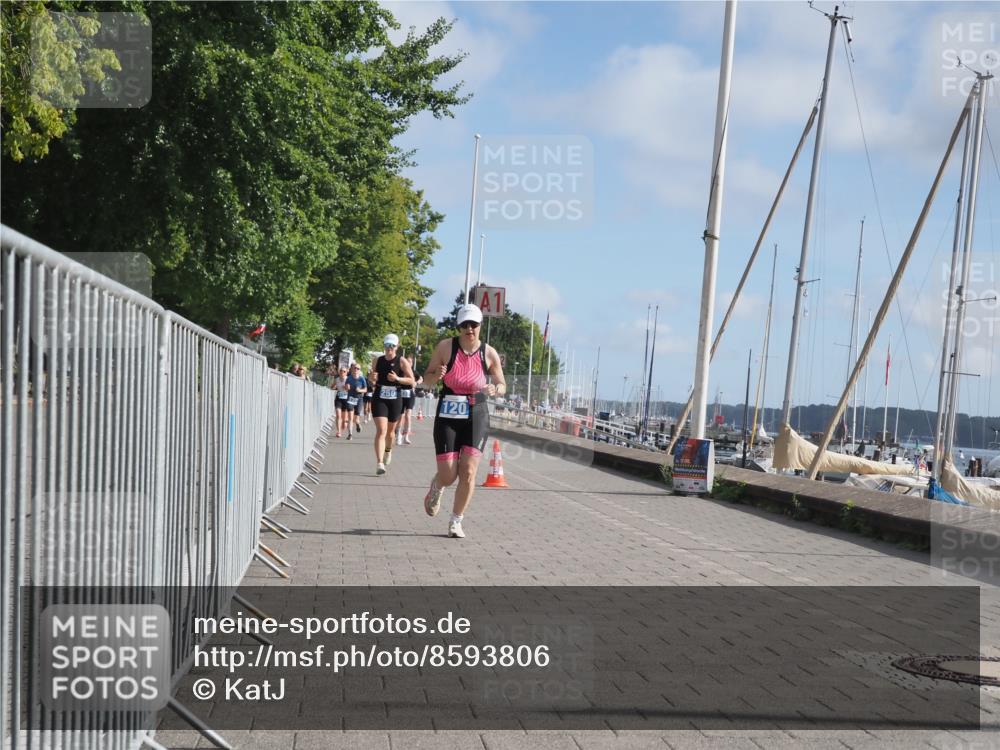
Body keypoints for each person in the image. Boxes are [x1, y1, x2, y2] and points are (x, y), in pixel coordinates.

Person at [420, 304, 505, 539]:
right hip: (449, 412)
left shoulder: (489, 353)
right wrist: (436, 376)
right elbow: (426, 378)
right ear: (458, 327)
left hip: (476, 412)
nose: (469, 329)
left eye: (473, 324)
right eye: (464, 325)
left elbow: (502, 384)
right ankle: (437, 486)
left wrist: (495, 389)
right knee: (449, 475)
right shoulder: (445, 347)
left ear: (480, 326)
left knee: (468, 471)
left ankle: (456, 520)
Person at [371, 334, 416, 476]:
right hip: (379, 397)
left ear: (397, 347)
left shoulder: (401, 361)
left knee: (390, 433)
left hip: (395, 398)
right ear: (384, 346)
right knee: (381, 430)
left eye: (392, 346)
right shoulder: (377, 360)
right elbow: (372, 378)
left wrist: (397, 378)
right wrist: (371, 378)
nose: (389, 348)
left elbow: (412, 381)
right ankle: (379, 463)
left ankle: (388, 450)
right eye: (387, 345)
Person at [396, 353, 420, 446]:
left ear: (412, 363)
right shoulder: (401, 371)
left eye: (410, 362)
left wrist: (416, 383)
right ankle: (398, 435)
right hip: (401, 394)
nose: (408, 363)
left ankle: (406, 436)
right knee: (400, 416)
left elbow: (421, 378)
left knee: (408, 416)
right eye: (407, 361)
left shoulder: (414, 372)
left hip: (410, 394)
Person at [346, 363, 367, 436]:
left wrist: (360, 390)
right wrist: (347, 387)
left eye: (358, 368)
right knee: (350, 418)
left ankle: (358, 424)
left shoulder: (362, 379)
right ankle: (350, 434)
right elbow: (346, 388)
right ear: (352, 369)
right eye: (355, 368)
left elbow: (365, 390)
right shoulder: (349, 378)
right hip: (350, 399)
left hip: (359, 399)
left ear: (359, 370)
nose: (356, 369)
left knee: (356, 419)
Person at [333, 366, 351, 438]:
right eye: (341, 371)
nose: (342, 372)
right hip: (339, 398)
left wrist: (346, 388)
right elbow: (332, 386)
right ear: (339, 372)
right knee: (338, 415)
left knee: (344, 419)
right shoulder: (337, 379)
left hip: (346, 399)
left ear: (346, 373)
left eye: (344, 371)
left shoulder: (348, 379)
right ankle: (339, 431)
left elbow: (350, 389)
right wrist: (334, 388)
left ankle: (343, 424)